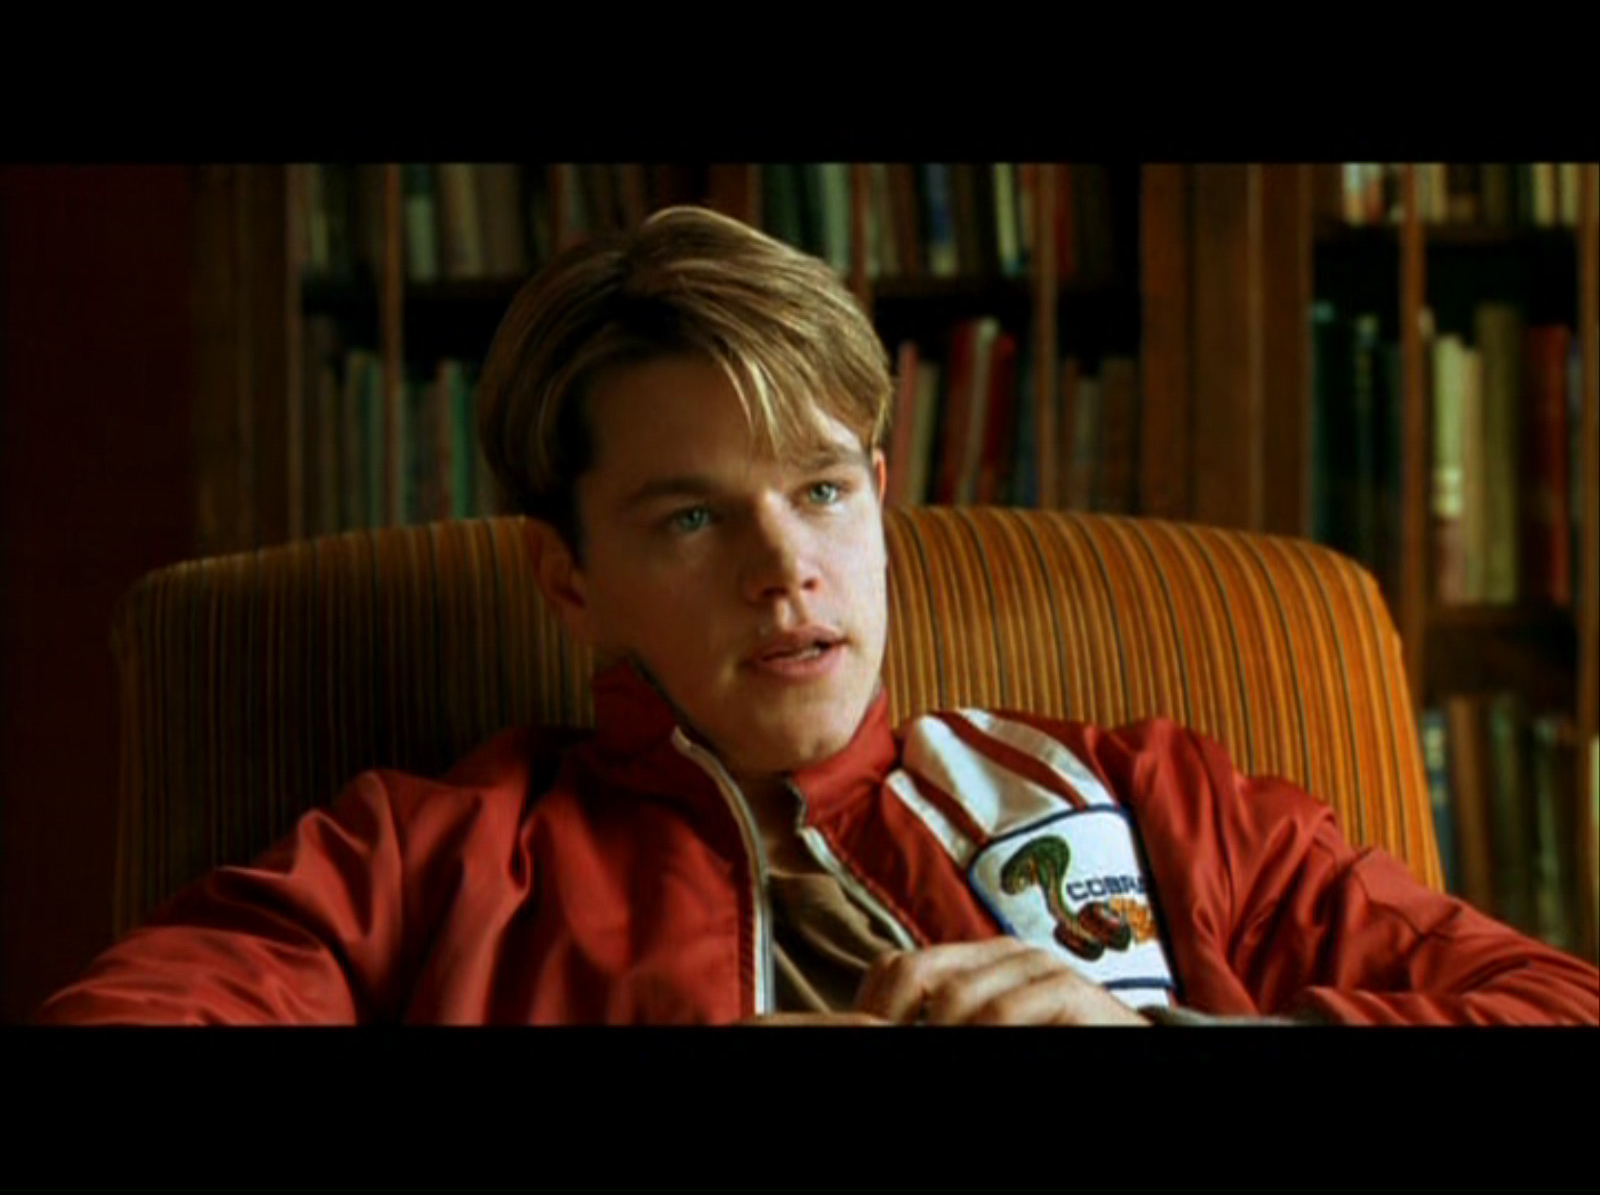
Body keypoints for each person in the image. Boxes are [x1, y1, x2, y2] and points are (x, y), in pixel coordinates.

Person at [36, 206, 1599, 1026]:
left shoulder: (1159, 798)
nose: (784, 568)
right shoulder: (423, 857)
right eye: (691, 516)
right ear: (569, 576)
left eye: (823, 491)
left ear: (880, 489)